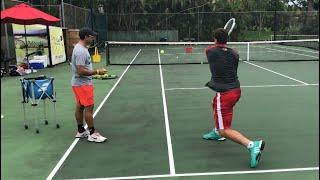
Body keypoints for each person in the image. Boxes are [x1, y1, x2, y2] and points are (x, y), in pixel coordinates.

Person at [202, 28, 265, 168]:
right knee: (215, 104)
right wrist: (223, 45)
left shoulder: (210, 51)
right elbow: (227, 53)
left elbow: (212, 49)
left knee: (225, 129)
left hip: (225, 94)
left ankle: (251, 145)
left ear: (215, 39)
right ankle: (216, 132)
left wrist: (219, 43)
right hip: (236, 91)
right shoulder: (235, 54)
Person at [71, 27, 107, 143]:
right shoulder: (81, 51)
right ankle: (92, 133)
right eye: (92, 36)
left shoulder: (80, 48)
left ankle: (81, 131)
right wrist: (97, 72)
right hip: (82, 84)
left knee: (80, 106)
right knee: (89, 108)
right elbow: (80, 71)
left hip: (79, 83)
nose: (93, 38)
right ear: (86, 37)